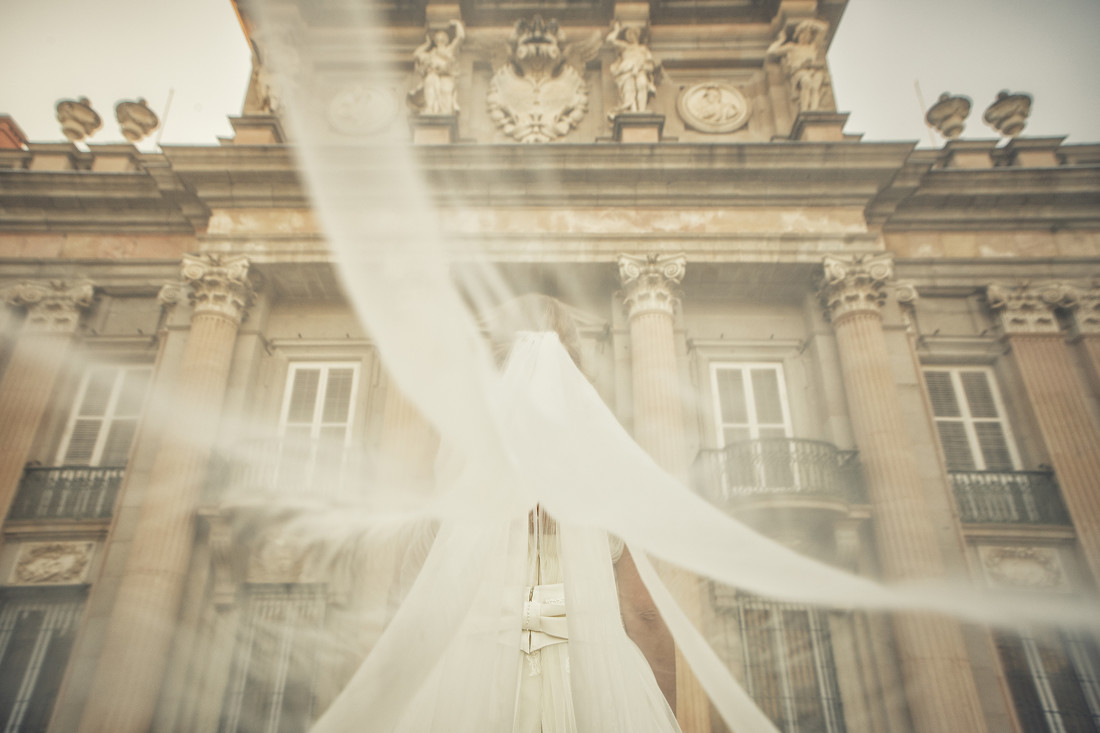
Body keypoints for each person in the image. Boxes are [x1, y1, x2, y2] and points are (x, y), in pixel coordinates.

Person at [408, 20, 465, 115]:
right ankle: (430, 109)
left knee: (446, 92)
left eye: (442, 37)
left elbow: (460, 37)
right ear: (435, 40)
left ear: (446, 40)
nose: (440, 39)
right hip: (432, 75)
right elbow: (416, 54)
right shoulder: (431, 53)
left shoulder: (449, 50)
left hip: (446, 77)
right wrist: (426, 44)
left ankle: (444, 112)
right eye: (438, 37)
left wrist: (457, 24)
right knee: (430, 86)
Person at [606, 22, 658, 114]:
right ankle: (631, 110)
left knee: (641, 85)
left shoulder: (643, 49)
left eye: (634, 34)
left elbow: (650, 64)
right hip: (626, 71)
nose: (631, 36)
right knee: (629, 88)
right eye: (629, 34)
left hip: (640, 69)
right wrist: (617, 30)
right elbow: (610, 40)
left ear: (637, 36)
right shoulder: (624, 47)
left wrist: (641, 67)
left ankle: (641, 110)